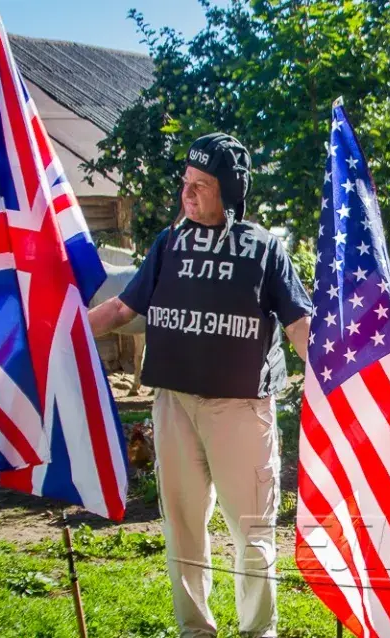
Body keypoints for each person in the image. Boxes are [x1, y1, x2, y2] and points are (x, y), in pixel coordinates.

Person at [89, 132, 312, 638]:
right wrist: (66, 330)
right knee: (184, 527)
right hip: (174, 404)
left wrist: (333, 370)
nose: (187, 194)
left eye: (201, 185)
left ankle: (259, 631)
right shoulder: (169, 243)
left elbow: (299, 323)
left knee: (252, 531)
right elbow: (126, 307)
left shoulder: (263, 249)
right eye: (185, 183)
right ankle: (196, 630)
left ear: (230, 191)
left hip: (240, 408)